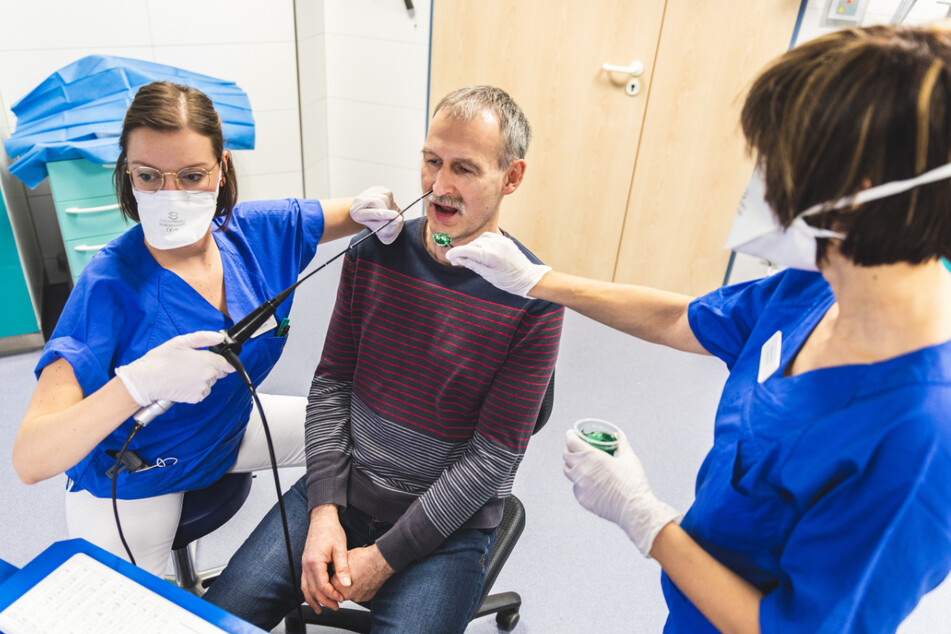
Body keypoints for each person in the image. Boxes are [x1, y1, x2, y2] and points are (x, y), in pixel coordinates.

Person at [447, 25, 951, 633]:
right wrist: (537, 280)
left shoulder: (921, 440)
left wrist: (645, 519)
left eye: (779, 161)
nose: (762, 180)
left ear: (857, 198)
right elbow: (683, 319)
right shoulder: (822, 281)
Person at [203, 85, 564, 632]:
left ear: (511, 178)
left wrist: (385, 557)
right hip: (344, 488)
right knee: (216, 619)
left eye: (464, 168)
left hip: (447, 528)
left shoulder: (533, 300)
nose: (439, 187)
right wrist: (323, 509)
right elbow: (330, 387)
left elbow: (491, 461)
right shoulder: (375, 251)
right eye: (431, 161)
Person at [12, 81, 404, 577]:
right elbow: (31, 458)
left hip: (227, 432)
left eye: (192, 175)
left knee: (365, 436)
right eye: (149, 176)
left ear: (222, 170)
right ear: (126, 175)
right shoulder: (107, 286)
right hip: (137, 477)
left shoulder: (254, 235)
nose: (170, 196)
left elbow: (350, 212)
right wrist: (137, 385)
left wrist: (372, 206)